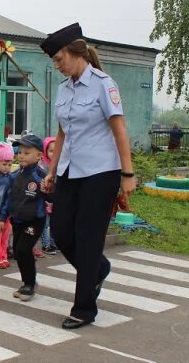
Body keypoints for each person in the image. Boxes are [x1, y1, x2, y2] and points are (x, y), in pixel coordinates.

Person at [39, 23, 135, 329]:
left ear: (75, 53)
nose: (57, 66)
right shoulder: (64, 89)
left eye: (59, 60)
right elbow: (62, 131)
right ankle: (98, 269)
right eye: (54, 62)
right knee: (61, 232)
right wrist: (52, 170)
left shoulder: (104, 84)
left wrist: (127, 173)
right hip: (69, 170)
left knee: (89, 238)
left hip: (101, 172)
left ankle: (84, 308)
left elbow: (120, 130)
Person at [2, 134, 48, 301]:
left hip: (35, 220)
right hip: (17, 220)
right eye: (19, 152)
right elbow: (8, 198)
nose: (21, 155)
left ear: (39, 155)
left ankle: (30, 284)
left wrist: (48, 191)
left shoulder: (41, 176)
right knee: (18, 252)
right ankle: (27, 282)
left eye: (26, 152)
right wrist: (3, 217)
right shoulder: (14, 176)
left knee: (23, 249)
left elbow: (52, 198)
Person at [40, 137, 58, 255]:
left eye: (57, 151)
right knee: (45, 224)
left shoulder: (60, 165)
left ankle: (53, 243)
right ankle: (46, 245)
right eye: (51, 151)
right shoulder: (43, 167)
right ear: (45, 152)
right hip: (45, 200)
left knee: (54, 223)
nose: (54, 154)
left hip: (56, 199)